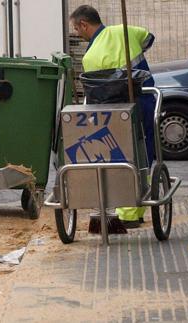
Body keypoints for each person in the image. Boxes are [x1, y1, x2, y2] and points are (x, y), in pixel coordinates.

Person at [70, 5, 156, 228]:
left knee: (120, 155)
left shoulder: (90, 57)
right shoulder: (128, 31)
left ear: (84, 25)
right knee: (143, 154)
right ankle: (137, 210)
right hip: (144, 102)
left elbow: (96, 93)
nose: (77, 34)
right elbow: (149, 39)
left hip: (115, 113)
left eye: (76, 29)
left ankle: (127, 213)